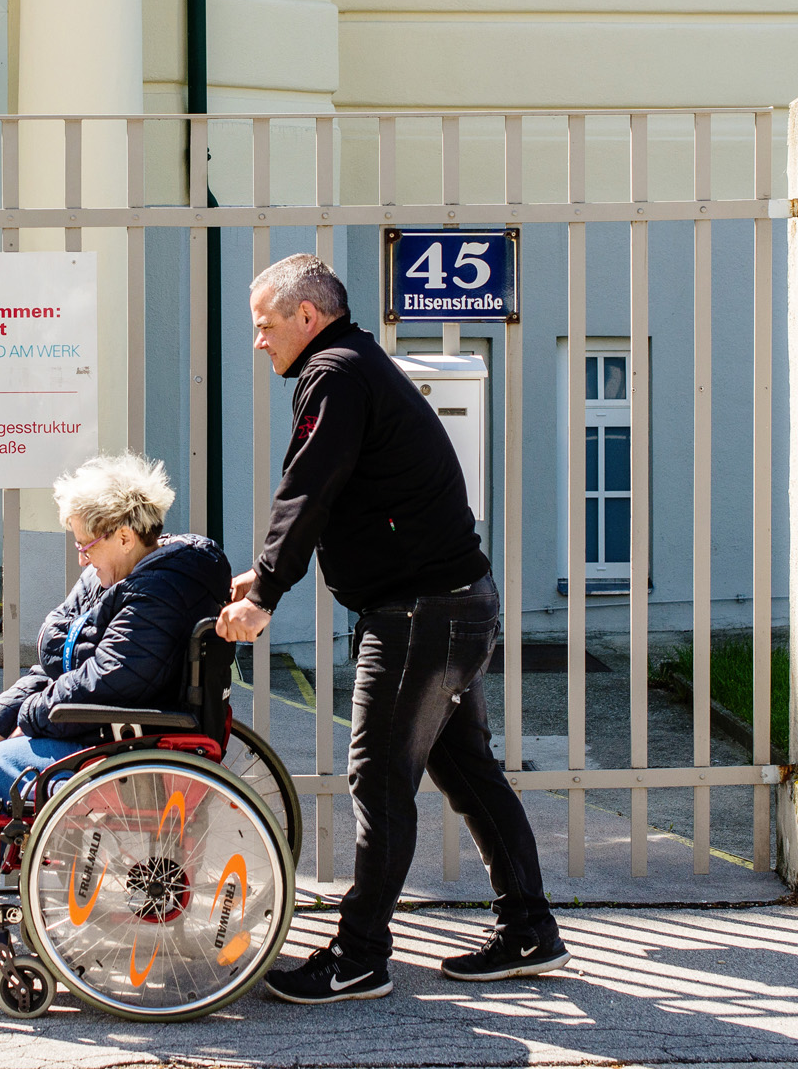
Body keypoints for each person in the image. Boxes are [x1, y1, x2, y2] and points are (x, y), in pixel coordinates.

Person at [218, 252, 566, 1003]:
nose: (259, 340)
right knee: (467, 770)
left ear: (305, 315)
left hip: (420, 615)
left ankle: (360, 954)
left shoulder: (335, 373)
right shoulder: (357, 364)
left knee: (379, 777)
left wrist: (266, 591)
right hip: (451, 603)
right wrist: (264, 569)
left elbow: (309, 485)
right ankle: (528, 930)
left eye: (265, 324)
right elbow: (344, 490)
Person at [0, 451, 230, 977]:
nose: (81, 558)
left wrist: (32, 716)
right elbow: (59, 649)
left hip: (131, 741)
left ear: (123, 536)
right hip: (106, 725)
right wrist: (4, 716)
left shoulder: (160, 587)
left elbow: (112, 678)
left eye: (86, 544)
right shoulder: (122, 574)